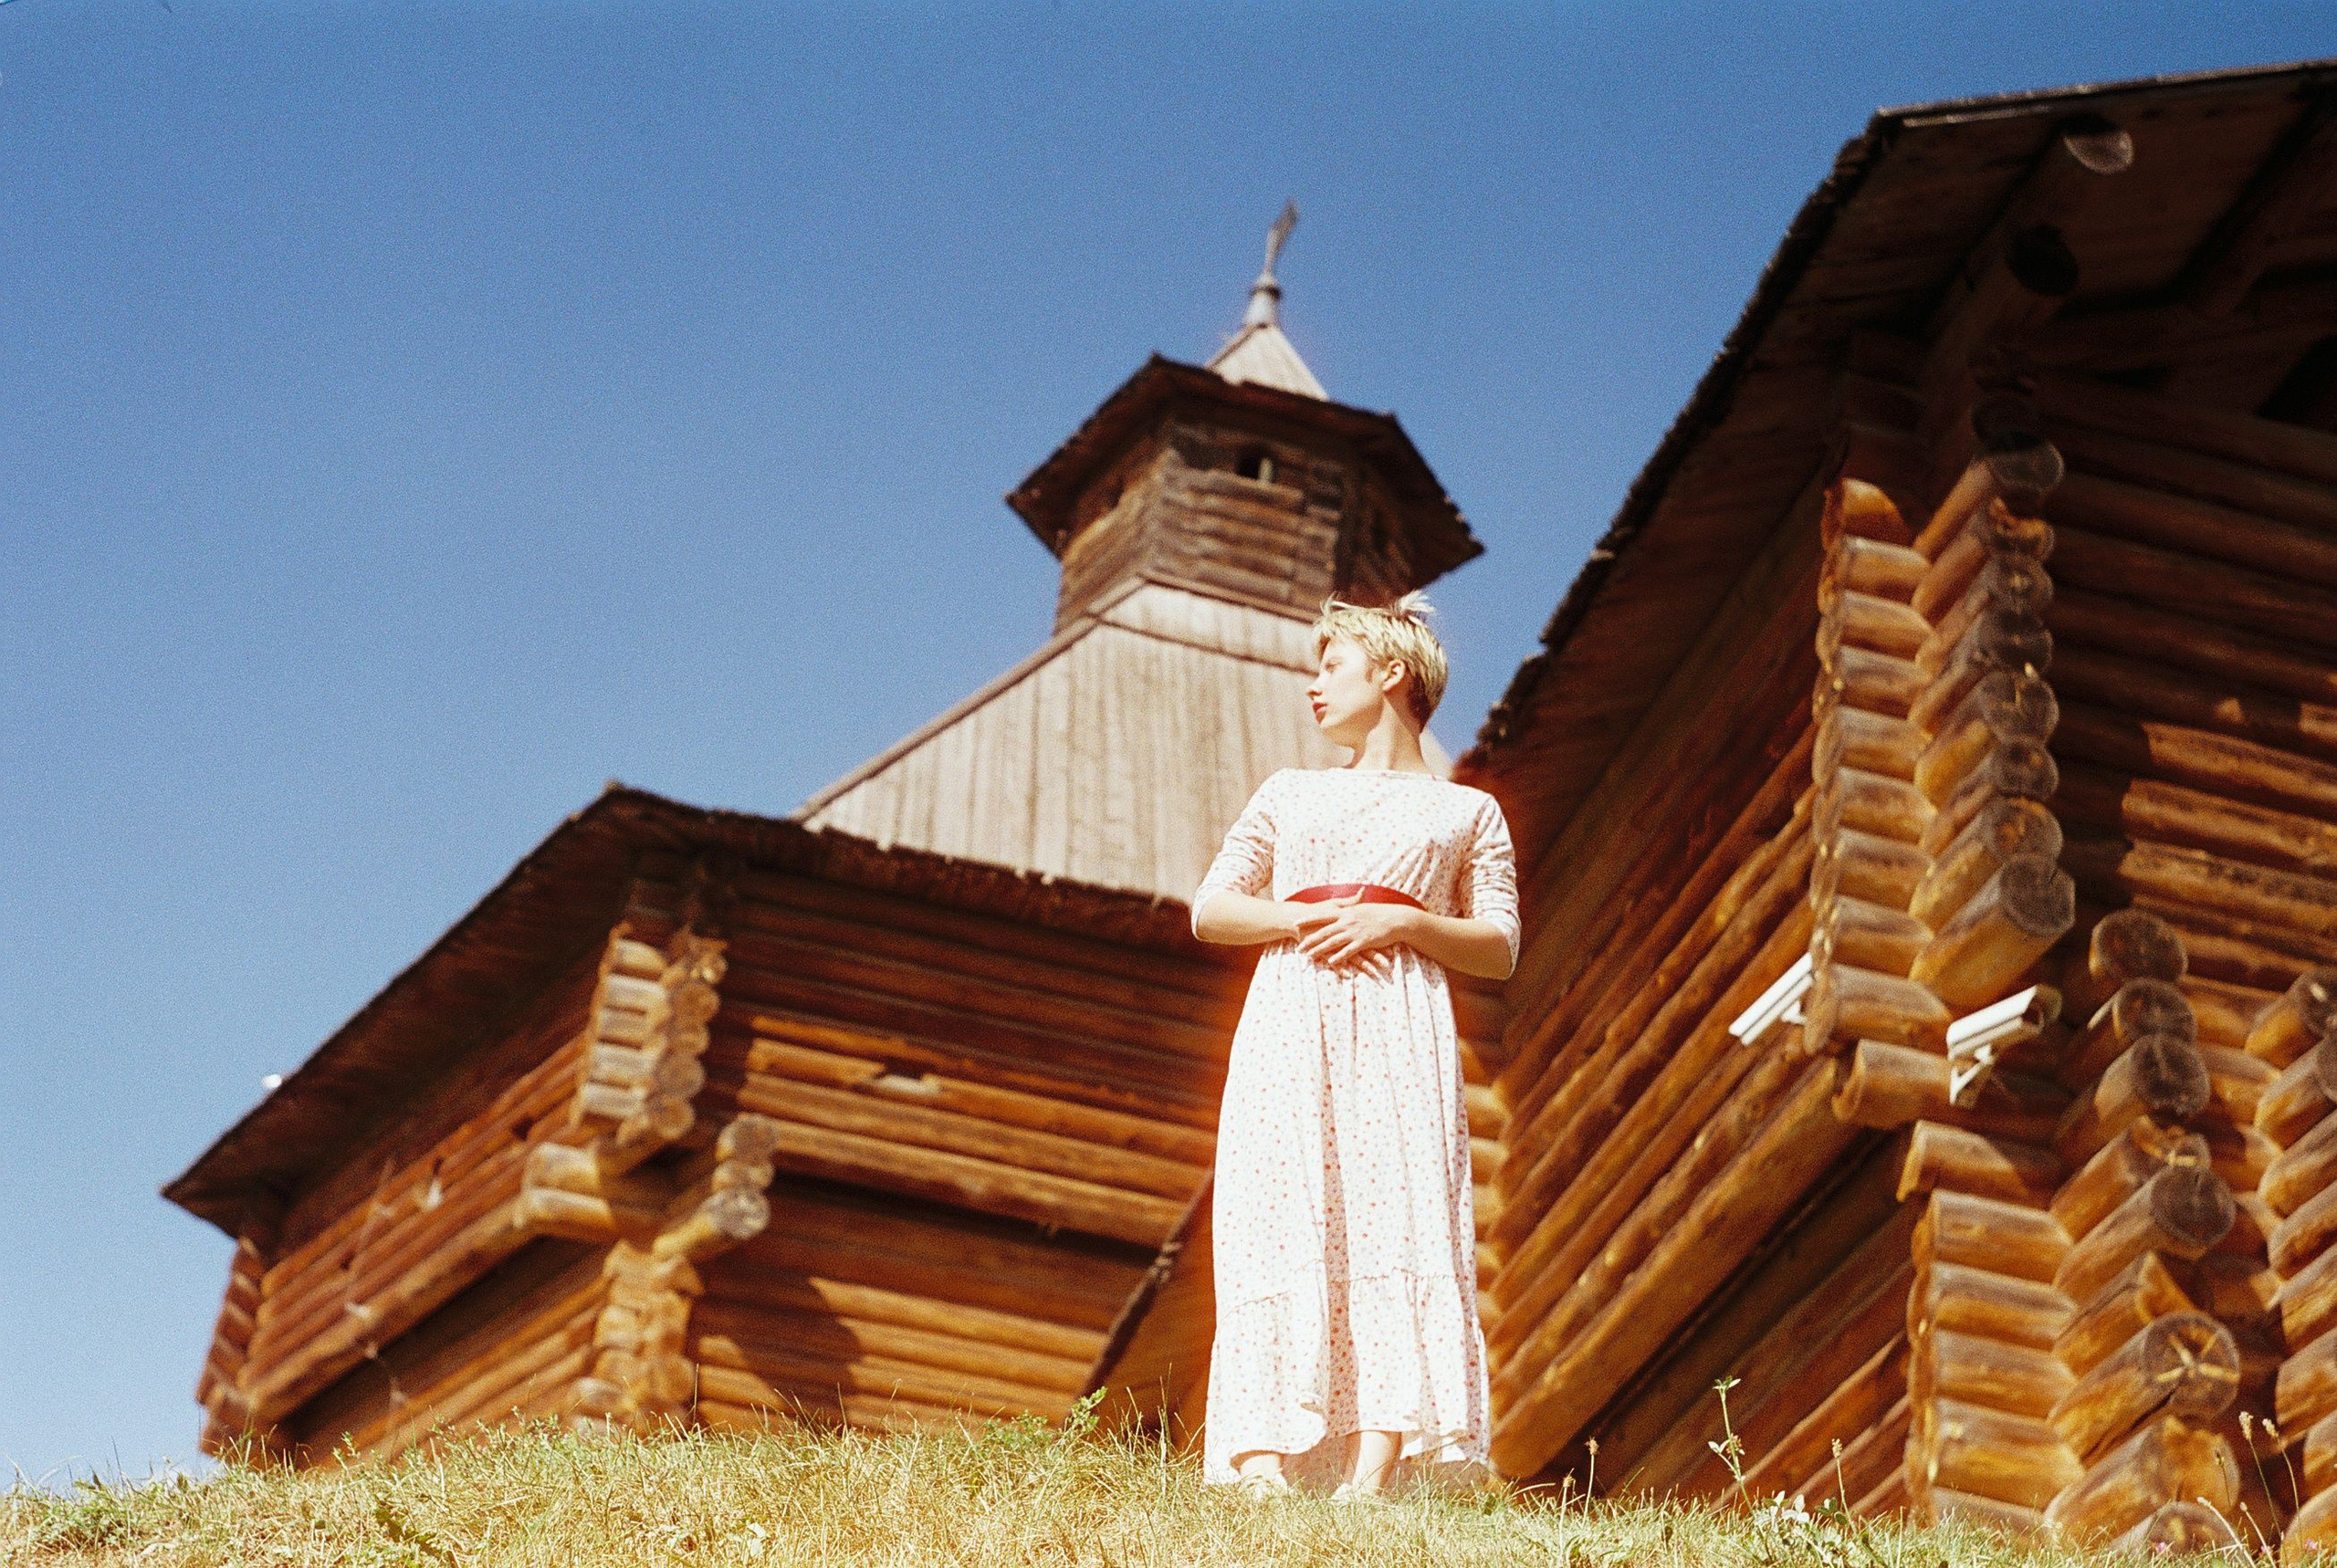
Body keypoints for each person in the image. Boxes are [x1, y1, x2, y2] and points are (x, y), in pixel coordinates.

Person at [1188, 590, 1520, 1500]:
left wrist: (1402, 920)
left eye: (1329, 664)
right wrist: (1311, 918)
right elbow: (1213, 907)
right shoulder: (1289, 794)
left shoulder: (1464, 813)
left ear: (1391, 672)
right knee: (1275, 1209)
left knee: (1395, 1214)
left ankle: (1376, 1464)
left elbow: (1499, 943)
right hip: (1289, 1018)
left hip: (1396, 1026)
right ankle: (1261, 1458)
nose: (1312, 685)